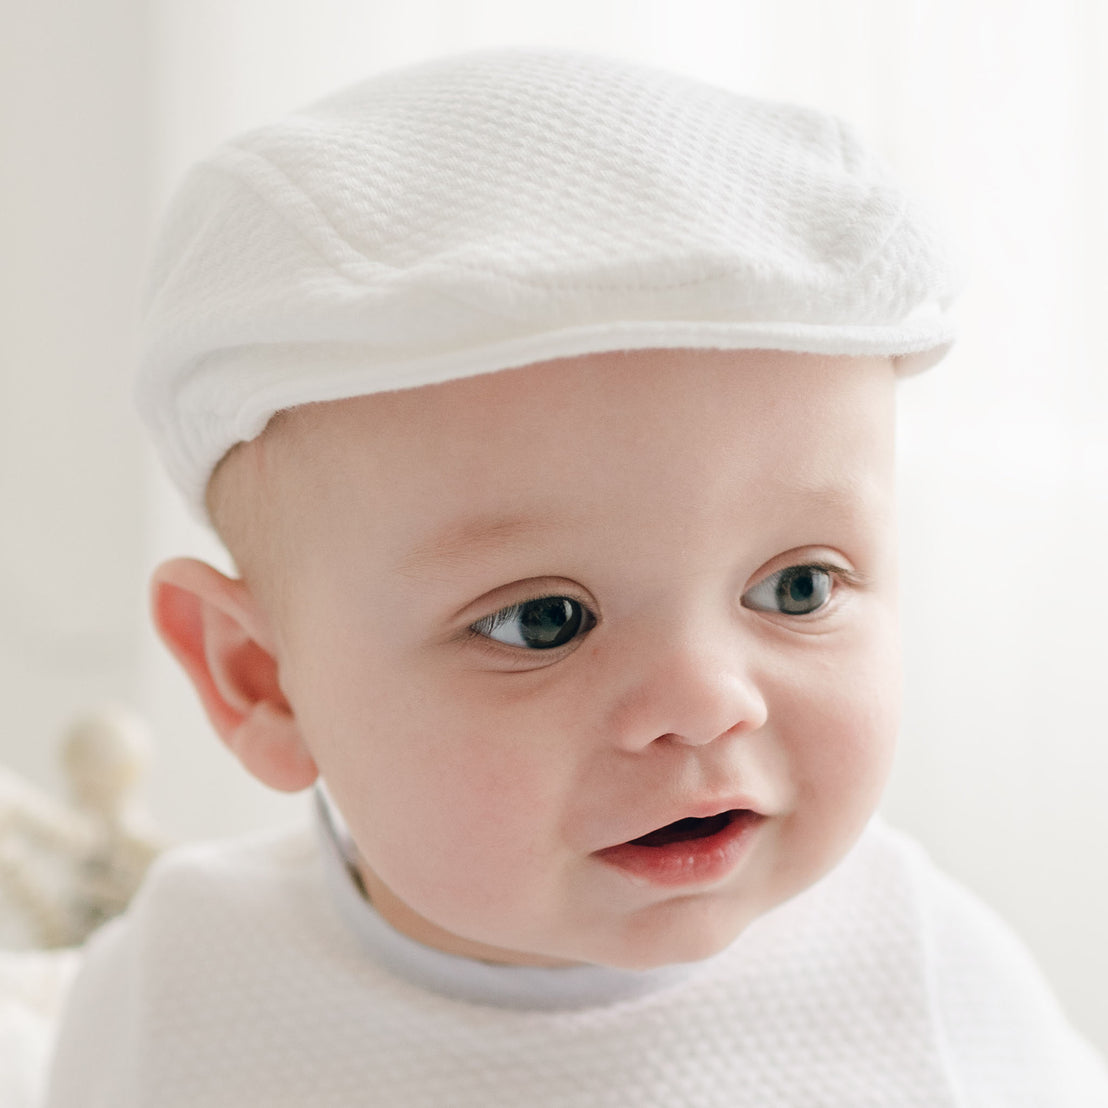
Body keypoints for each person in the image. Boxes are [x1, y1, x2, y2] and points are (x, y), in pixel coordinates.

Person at [44, 48, 1108, 1105]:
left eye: (798, 588)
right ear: (262, 678)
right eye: (544, 620)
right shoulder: (180, 987)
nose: (703, 703)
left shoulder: (922, 967)